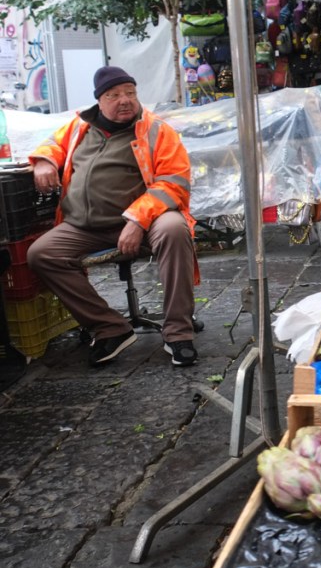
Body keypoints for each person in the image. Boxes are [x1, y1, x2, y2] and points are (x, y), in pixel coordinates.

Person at [27, 66, 201, 368]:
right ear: (100, 101)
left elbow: (174, 182)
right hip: (85, 226)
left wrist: (136, 220)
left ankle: (178, 333)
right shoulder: (79, 127)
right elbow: (53, 143)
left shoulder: (157, 130)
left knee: (174, 228)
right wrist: (43, 161)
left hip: (145, 222)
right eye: (115, 95)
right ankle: (110, 328)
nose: (125, 100)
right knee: (41, 254)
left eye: (130, 93)